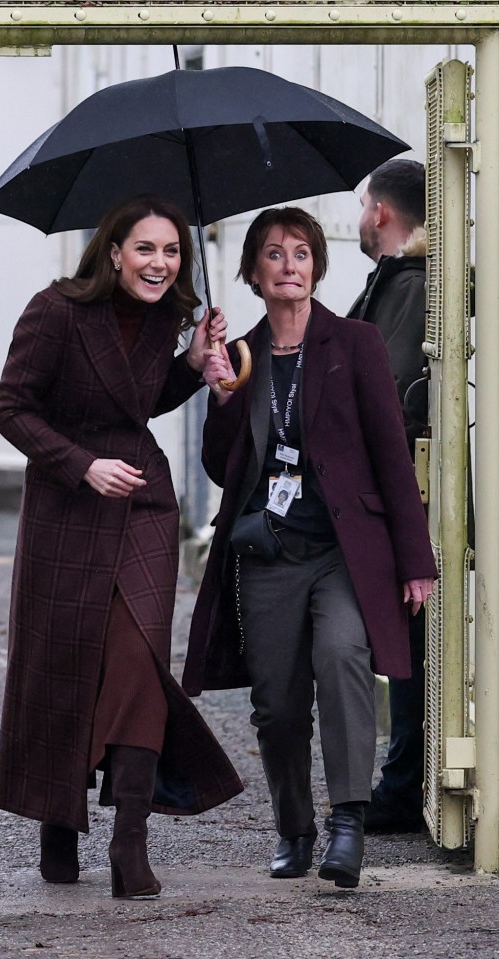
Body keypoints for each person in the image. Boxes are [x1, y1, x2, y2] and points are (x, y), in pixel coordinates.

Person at [0, 193, 243, 900]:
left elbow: (138, 399)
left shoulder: (168, 317)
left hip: (142, 501)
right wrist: (80, 464)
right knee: (66, 659)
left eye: (170, 251)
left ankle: (130, 839)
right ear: (112, 251)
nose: (159, 263)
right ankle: (57, 821)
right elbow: (10, 408)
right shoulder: (55, 309)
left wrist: (192, 364)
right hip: (66, 504)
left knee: (137, 660)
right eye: (145, 249)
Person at [183, 206, 437, 889]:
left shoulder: (353, 344)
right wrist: (224, 395)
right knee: (278, 699)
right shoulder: (240, 352)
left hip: (343, 554)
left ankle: (347, 823)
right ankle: (293, 827)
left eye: (300, 252)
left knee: (343, 656)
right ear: (253, 272)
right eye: (273, 253)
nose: (288, 264)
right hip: (268, 551)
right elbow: (219, 468)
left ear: (315, 267)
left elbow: (389, 452)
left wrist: (415, 561)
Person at [349, 159, 428, 833]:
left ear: (378, 212)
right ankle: (406, 780)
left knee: (411, 643)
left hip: (404, 498)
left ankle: (403, 785)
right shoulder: (399, 283)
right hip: (400, 495)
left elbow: (389, 397)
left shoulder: (406, 285)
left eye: (360, 206)